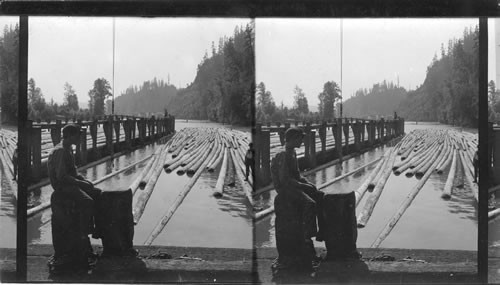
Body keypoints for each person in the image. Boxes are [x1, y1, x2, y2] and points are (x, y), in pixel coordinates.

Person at [47, 124, 101, 240]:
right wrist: (81, 183)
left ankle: (97, 229)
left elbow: (73, 172)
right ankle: (84, 232)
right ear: (70, 136)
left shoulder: (68, 148)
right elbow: (62, 177)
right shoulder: (60, 151)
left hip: (70, 183)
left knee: (97, 193)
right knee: (87, 201)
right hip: (62, 186)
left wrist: (85, 180)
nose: (79, 139)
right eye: (77, 136)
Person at [275, 127, 325, 242]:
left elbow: (297, 175)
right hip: (285, 189)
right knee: (310, 203)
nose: (302, 142)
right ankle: (307, 236)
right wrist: (303, 186)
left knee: (320, 195)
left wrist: (308, 183)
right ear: (293, 139)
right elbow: (285, 180)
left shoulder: (292, 152)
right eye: (300, 139)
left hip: (293, 185)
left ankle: (322, 230)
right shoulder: (283, 154)